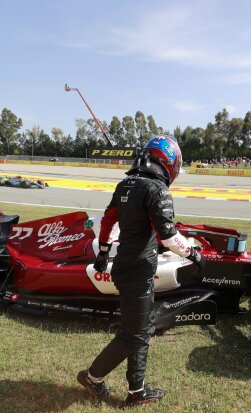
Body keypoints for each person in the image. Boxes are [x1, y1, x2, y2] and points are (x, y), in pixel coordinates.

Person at [77, 135, 205, 406]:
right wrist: (194, 254)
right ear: (168, 162)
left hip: (126, 266)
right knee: (133, 334)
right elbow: (168, 236)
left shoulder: (126, 183)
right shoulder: (157, 189)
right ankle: (92, 377)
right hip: (136, 270)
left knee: (141, 329)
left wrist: (102, 252)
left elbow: (109, 220)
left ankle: (137, 392)